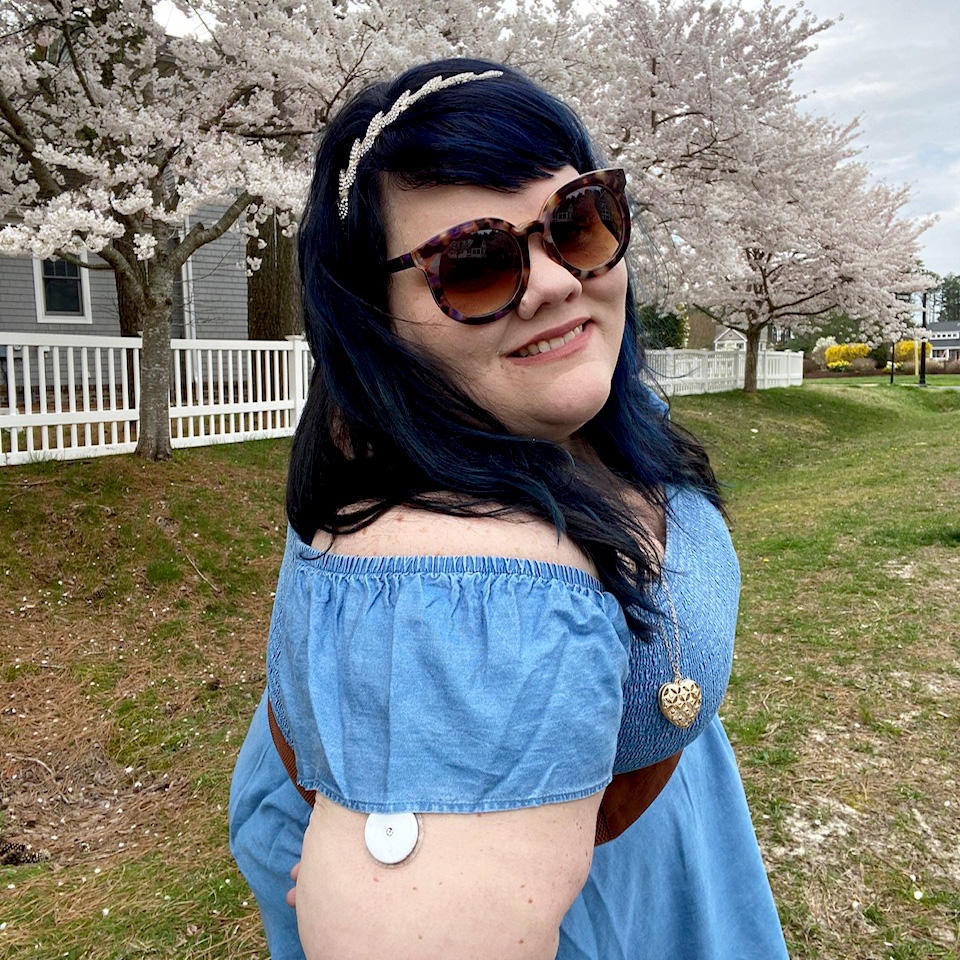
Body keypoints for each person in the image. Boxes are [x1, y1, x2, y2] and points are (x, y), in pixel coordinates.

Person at [229, 57, 790, 960]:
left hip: (643, 857)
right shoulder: (452, 593)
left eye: (578, 220)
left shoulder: (571, 405)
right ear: (373, 314)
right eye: (478, 263)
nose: (557, 282)